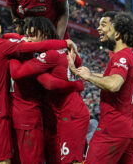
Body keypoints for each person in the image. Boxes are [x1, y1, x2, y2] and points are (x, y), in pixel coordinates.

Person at [0, 16, 77, 164]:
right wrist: (63, 42)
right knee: (3, 160)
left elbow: (11, 38)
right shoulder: (2, 46)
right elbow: (35, 48)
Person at [9, 17, 87, 164]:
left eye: (32, 35)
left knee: (70, 161)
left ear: (44, 34)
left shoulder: (50, 54)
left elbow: (47, 83)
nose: (28, 39)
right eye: (26, 35)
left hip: (70, 115)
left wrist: (13, 58)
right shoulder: (63, 51)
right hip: (59, 115)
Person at [68, 12, 133, 164]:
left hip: (112, 129)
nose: (99, 28)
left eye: (104, 25)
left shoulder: (121, 57)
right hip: (129, 130)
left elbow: (114, 84)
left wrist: (89, 77)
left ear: (118, 34)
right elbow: (110, 77)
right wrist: (79, 72)